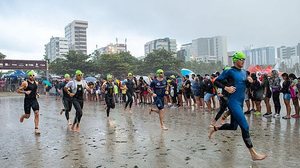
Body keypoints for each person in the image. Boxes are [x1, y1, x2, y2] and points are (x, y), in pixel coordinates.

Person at [209, 51, 267, 161]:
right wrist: (226, 88)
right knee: (245, 126)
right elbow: (216, 82)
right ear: (235, 60)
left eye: (244, 59)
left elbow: (245, 85)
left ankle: (215, 128)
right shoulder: (229, 71)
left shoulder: (245, 72)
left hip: (240, 102)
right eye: (241, 59)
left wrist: (249, 82)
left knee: (233, 127)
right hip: (233, 102)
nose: (243, 61)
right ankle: (253, 154)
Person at [18, 70, 41, 135]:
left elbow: (35, 90)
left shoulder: (36, 83)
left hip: (34, 100)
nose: (32, 76)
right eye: (31, 75)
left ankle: (36, 129)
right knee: (27, 116)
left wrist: (37, 93)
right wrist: (25, 92)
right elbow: (18, 90)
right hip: (27, 100)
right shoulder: (25, 83)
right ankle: (23, 116)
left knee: (37, 113)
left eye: (33, 75)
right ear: (28, 76)